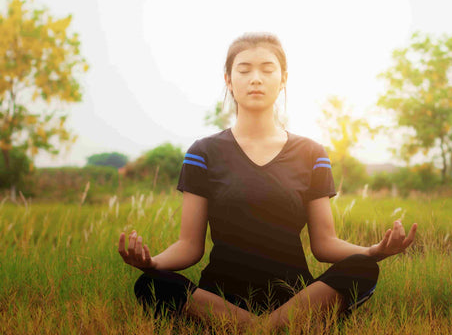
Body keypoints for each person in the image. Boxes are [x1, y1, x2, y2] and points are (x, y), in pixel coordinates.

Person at [117, 32, 418, 332]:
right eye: (244, 70)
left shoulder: (311, 153)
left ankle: (259, 327)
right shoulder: (203, 153)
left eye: (267, 70)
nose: (256, 79)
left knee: (363, 270)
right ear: (228, 80)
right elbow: (189, 246)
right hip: (221, 297)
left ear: (283, 79)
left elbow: (324, 244)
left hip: (295, 297)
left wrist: (374, 251)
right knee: (151, 284)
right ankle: (269, 328)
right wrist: (151, 263)